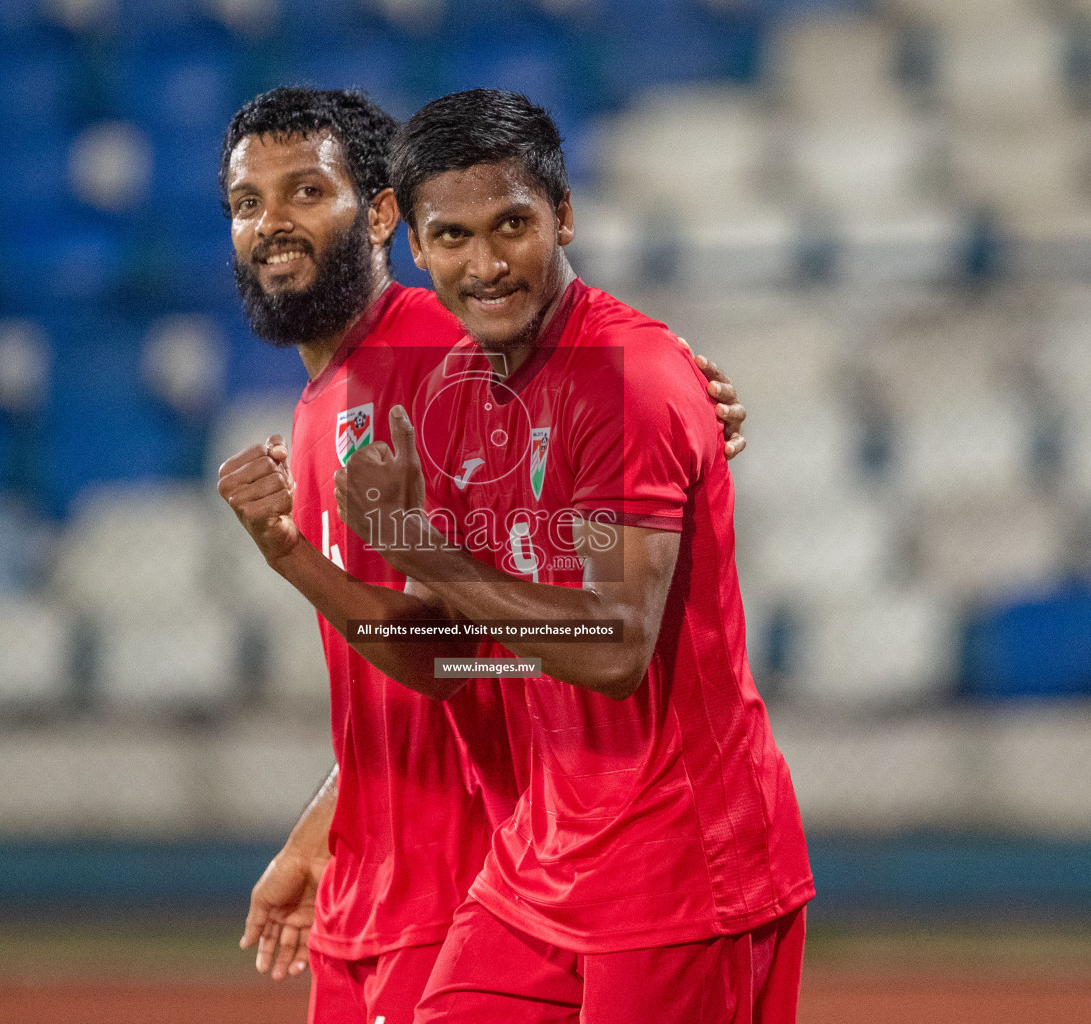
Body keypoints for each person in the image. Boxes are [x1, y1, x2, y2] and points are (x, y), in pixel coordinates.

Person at [214, 87, 751, 1024]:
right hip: (385, 885)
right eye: (248, 204)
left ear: (382, 215)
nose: (273, 226)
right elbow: (425, 649)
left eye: (306, 192)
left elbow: (595, 380)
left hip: (478, 874)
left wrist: (687, 394)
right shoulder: (324, 400)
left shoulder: (437, 347)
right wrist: (325, 825)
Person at [335, 89, 813, 1024]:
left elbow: (610, 647)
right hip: (543, 863)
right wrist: (296, 557)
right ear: (415, 247)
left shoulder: (625, 385)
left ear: (564, 215)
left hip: (681, 867)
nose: (488, 263)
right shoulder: (461, 393)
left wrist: (411, 544)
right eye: (454, 236)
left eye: (513, 224)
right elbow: (456, 651)